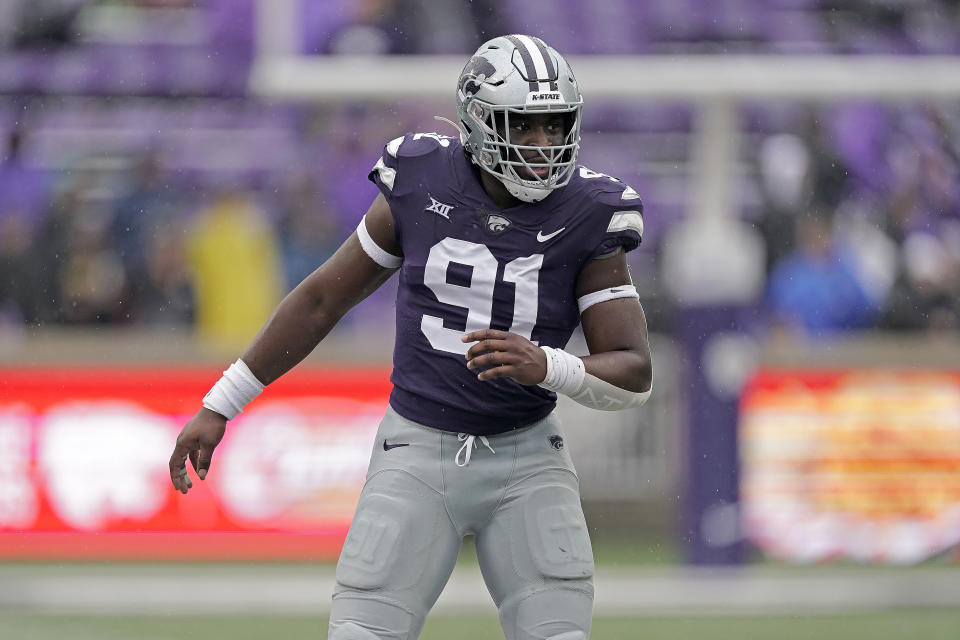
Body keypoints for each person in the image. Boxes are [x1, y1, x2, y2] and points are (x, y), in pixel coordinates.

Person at [170, 34, 652, 640]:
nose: (543, 146)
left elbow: (634, 371)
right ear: (478, 122)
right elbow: (323, 300)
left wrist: (549, 366)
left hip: (528, 455)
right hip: (419, 448)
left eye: (556, 127)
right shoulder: (421, 178)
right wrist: (222, 402)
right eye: (523, 127)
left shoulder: (588, 209)